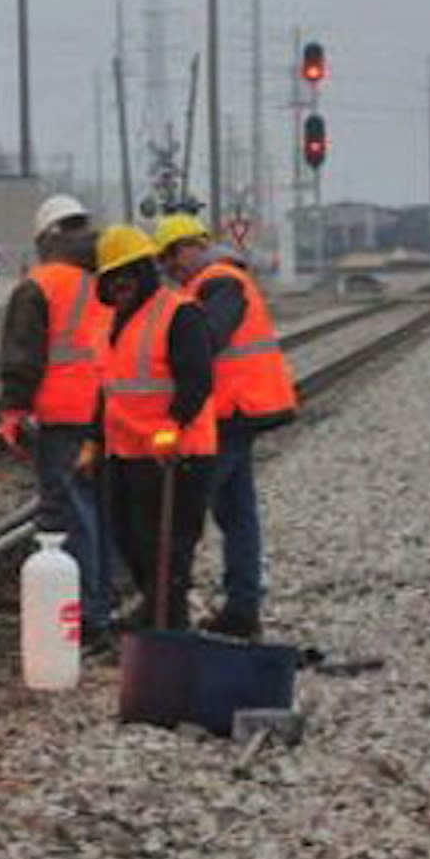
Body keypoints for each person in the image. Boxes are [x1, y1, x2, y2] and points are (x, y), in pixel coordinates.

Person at [152, 214, 298, 638]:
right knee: (237, 513)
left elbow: (205, 340)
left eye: (170, 257)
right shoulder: (215, 281)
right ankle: (242, 608)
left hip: (232, 411)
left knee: (188, 512)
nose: (170, 269)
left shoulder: (219, 281)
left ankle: (166, 609)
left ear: (190, 246)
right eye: (163, 263)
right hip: (239, 409)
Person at [0, 194, 113, 651]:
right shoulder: (102, 279)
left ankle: (82, 618)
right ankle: (98, 608)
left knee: (69, 519)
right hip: (105, 416)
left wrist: (13, 411)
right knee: (98, 515)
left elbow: (23, 357)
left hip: (62, 417)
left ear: (45, 238)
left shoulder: (39, 286)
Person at [92, 225, 217, 632]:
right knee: (129, 539)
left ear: (145, 272)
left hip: (175, 454)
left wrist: (173, 425)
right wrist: (96, 440)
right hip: (127, 452)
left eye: (128, 274)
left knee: (169, 546)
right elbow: (112, 389)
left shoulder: (179, 313)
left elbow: (197, 378)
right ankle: (156, 610)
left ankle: (170, 626)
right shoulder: (118, 323)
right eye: (112, 278)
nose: (120, 284)